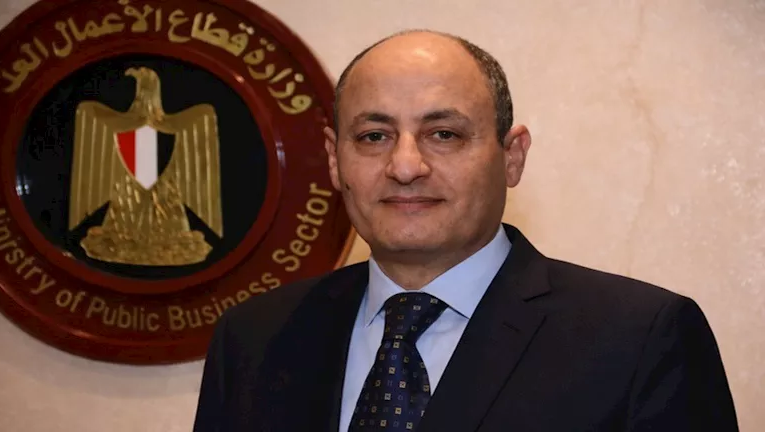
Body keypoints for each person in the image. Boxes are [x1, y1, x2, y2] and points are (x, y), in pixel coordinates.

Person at [192, 30, 738, 432]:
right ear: (336, 160)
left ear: (512, 156)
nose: (406, 166)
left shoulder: (639, 339)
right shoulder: (254, 338)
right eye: (375, 136)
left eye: (444, 134)